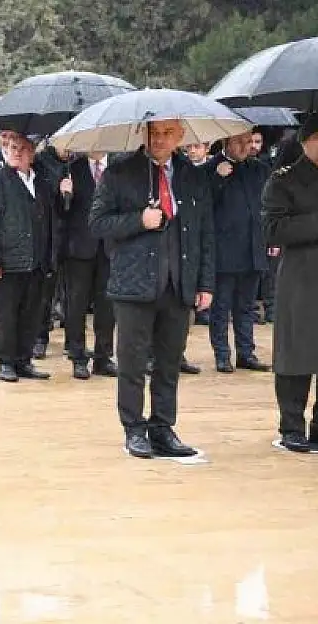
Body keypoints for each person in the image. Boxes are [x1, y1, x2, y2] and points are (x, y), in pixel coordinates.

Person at [89, 120, 215, 459]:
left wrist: (205, 283)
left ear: (180, 137)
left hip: (178, 284)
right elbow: (97, 223)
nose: (159, 140)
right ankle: (133, 427)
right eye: (154, 133)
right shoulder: (120, 172)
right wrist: (137, 220)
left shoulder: (192, 175)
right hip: (134, 284)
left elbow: (205, 233)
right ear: (144, 135)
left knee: (169, 361)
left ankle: (162, 426)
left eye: (167, 134)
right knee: (131, 361)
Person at [261, 112, 318, 452]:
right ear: (305, 141)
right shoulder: (284, 180)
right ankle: (292, 426)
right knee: (296, 354)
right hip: (302, 278)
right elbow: (274, 230)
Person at [0, 133, 60, 382]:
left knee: (31, 314)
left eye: (21, 148)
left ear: (32, 152)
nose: (15, 152)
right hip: (7, 262)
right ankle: (5, 362)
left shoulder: (41, 181)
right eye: (11, 148)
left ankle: (24, 360)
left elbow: (50, 218)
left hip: (36, 260)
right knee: (6, 315)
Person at [203, 131, 271, 373]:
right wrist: (219, 179)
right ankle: (222, 354)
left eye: (248, 142)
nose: (246, 147)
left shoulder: (259, 169)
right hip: (224, 250)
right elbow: (203, 205)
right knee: (221, 306)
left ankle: (246, 352)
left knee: (246, 306)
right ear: (226, 143)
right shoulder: (211, 168)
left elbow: (266, 204)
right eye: (240, 142)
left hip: (253, 247)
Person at [60, 151, 118, 379]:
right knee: (76, 304)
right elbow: (61, 211)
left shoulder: (117, 167)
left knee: (107, 305)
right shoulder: (72, 168)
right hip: (79, 248)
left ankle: (103, 357)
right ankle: (78, 357)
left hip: (109, 246)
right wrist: (65, 195)